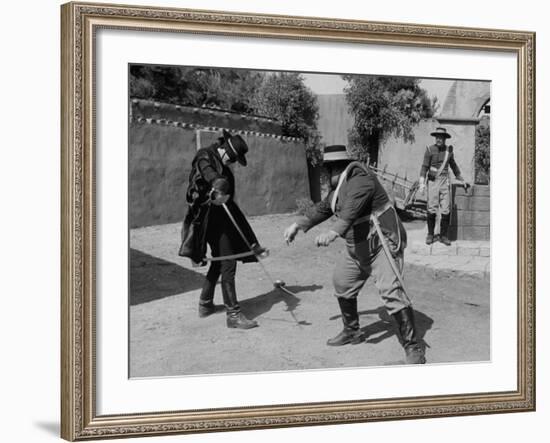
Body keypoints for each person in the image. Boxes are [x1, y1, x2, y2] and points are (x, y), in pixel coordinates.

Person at [283, 145, 426, 364]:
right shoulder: (339, 187)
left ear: (335, 168)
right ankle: (352, 331)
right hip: (357, 244)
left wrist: (332, 232)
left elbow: (350, 210)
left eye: (326, 170)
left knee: (391, 291)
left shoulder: (361, 178)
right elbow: (323, 208)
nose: (324, 176)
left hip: (381, 242)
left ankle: (413, 345)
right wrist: (297, 224)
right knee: (342, 282)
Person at [178, 129, 265, 329]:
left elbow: (230, 204)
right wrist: (216, 183)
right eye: (233, 159)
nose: (233, 163)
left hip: (221, 220)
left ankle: (205, 304)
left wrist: (252, 242)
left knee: (218, 262)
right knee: (228, 262)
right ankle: (233, 315)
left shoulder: (225, 169)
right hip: (206, 221)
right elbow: (207, 172)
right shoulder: (205, 155)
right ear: (225, 151)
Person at [418, 127, 468, 246]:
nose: (439, 139)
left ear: (445, 139)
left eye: (441, 137)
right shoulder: (429, 150)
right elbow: (424, 167)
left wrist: (461, 179)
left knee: (446, 209)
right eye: (437, 137)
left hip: (445, 182)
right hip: (433, 181)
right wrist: (421, 183)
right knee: (431, 207)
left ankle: (443, 235)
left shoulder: (448, 151)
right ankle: (430, 234)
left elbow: (454, 166)